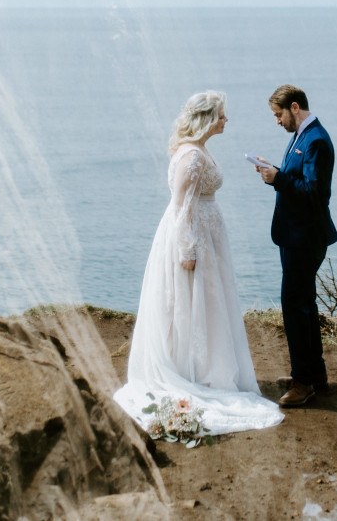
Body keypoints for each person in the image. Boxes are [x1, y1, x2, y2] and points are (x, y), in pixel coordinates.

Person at [113, 91, 283, 436]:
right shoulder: (191, 156)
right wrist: (187, 250)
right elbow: (182, 209)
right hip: (193, 238)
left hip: (207, 234)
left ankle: (206, 366)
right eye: (222, 115)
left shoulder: (199, 149)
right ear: (207, 119)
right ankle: (195, 371)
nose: (226, 120)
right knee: (194, 302)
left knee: (208, 303)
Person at [255, 84, 337, 408]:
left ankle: (304, 383)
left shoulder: (316, 139)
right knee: (303, 304)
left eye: (278, 115)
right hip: (296, 235)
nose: (277, 122)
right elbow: (299, 179)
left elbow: (314, 193)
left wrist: (278, 178)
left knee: (295, 306)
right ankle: (312, 373)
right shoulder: (304, 135)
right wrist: (275, 171)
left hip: (306, 236)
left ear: (294, 107)